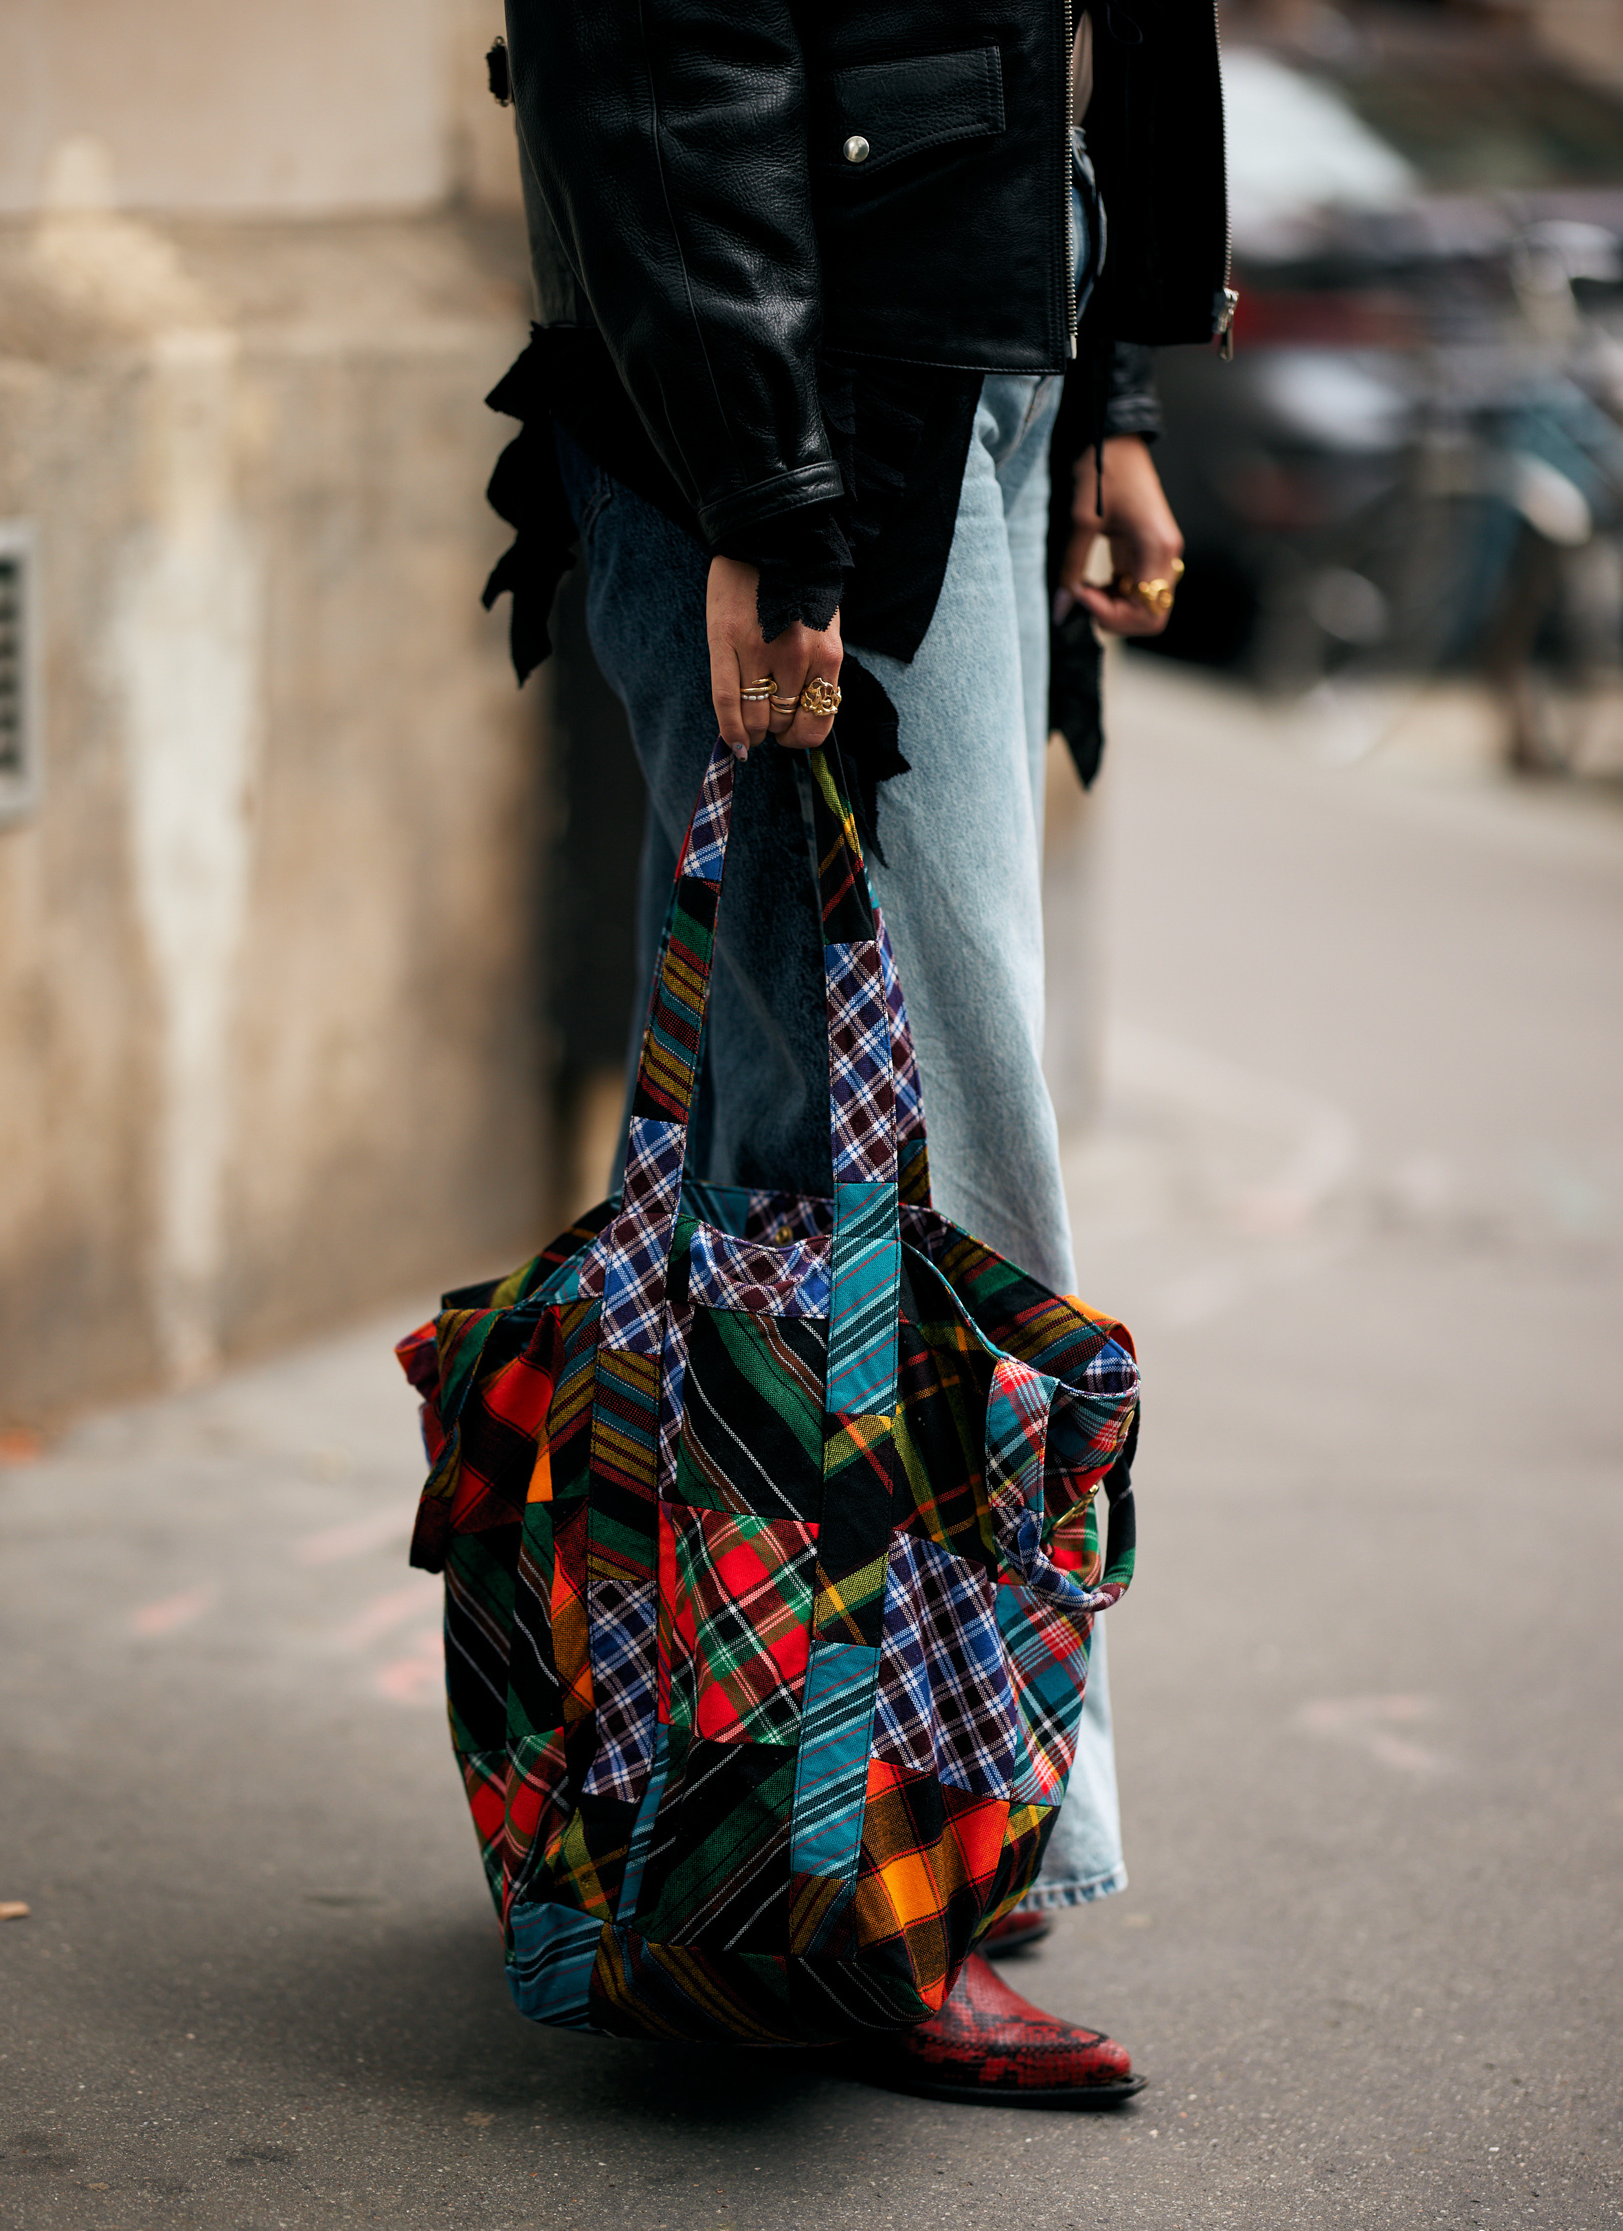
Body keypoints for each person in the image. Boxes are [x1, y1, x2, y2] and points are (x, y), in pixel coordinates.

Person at [486, 0, 1233, 2105]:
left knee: (813, 1127)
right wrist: (770, 484)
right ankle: (882, 1875)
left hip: (960, 352)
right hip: (813, 396)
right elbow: (664, 43)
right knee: (886, 1153)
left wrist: (1110, 373)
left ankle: (742, 1830)